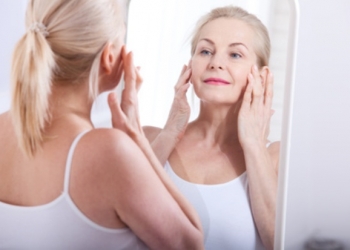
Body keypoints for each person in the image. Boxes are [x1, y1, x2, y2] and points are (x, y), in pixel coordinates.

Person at [0, 0, 204, 249]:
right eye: (122, 39)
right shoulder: (109, 151)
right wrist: (136, 136)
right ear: (109, 57)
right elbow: (192, 242)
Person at [141, 6, 279, 250]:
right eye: (205, 51)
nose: (216, 63)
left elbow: (280, 243)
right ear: (190, 65)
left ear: (261, 75)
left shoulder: (278, 159)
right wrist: (170, 133)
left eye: (235, 55)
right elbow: (116, 227)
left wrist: (254, 145)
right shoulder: (148, 139)